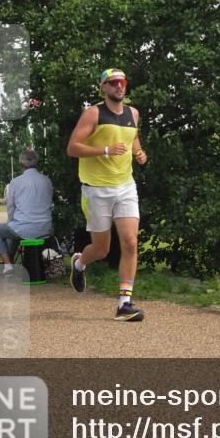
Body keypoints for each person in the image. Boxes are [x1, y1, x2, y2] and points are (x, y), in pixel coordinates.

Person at [66, 67, 148, 322]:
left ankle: (125, 303)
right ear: (103, 87)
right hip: (96, 188)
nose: (119, 87)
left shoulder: (133, 113)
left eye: (122, 82)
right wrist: (104, 150)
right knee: (101, 249)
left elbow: (131, 136)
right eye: (113, 83)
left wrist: (138, 152)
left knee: (131, 242)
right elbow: (72, 148)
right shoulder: (94, 113)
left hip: (125, 186)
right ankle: (79, 264)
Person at [0, 149, 53, 279]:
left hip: (23, 228)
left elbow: (10, 207)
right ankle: (10, 264)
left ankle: (8, 265)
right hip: (46, 227)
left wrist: (11, 222)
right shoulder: (47, 180)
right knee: (13, 230)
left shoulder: (15, 182)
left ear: (21, 165)